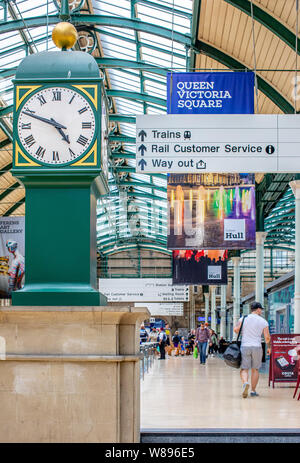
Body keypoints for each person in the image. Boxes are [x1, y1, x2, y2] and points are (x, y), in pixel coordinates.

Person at [233, 301, 271, 398]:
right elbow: (267, 337)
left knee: (244, 369)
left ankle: (245, 383)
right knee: (255, 369)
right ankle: (253, 391)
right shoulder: (263, 321)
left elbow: (236, 330)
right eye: (261, 309)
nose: (261, 311)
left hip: (245, 346)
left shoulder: (243, 318)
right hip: (257, 347)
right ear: (258, 309)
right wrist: (269, 347)